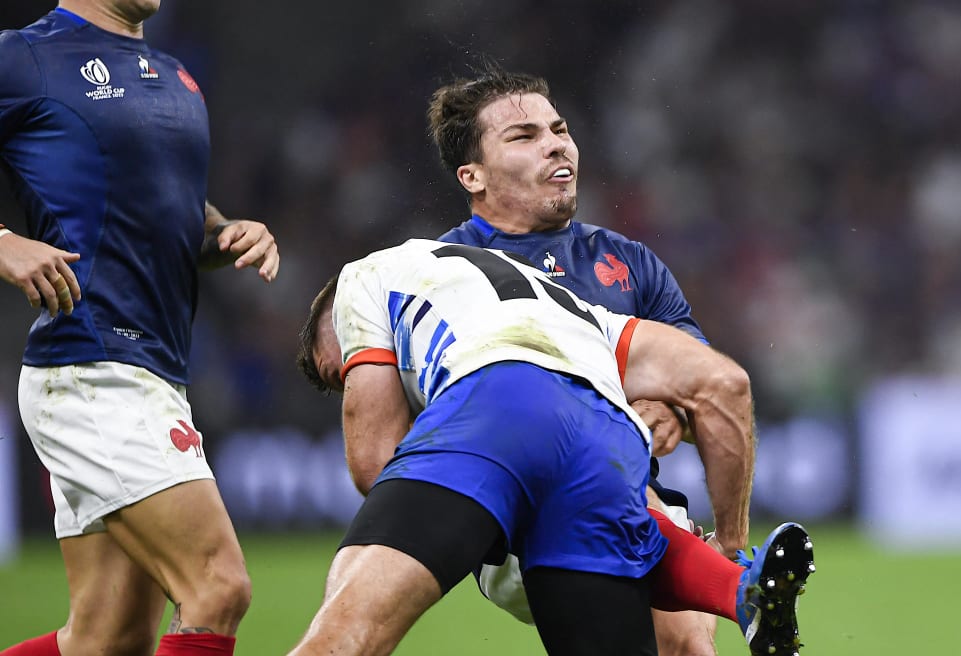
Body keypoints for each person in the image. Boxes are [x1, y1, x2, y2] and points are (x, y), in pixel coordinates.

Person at [292, 240, 815, 656]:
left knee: (342, 636)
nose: (347, 381)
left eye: (337, 373)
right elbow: (725, 384)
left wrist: (481, 520)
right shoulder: (564, 301)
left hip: (492, 406)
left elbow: (375, 461)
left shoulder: (362, 278)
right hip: (608, 438)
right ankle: (737, 584)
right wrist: (729, 541)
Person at [429, 65, 750, 655]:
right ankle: (738, 582)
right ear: (471, 175)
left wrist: (667, 408)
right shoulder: (442, 270)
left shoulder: (628, 262)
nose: (555, 144)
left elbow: (695, 375)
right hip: (509, 520)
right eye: (523, 136)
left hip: (629, 498)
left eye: (560, 129)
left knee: (689, 647)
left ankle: (732, 574)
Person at [0, 2, 279, 655]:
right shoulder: (25, 55)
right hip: (92, 368)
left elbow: (166, 206)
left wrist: (222, 233)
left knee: (106, 639)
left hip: (152, 371)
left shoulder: (175, 73)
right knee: (218, 585)